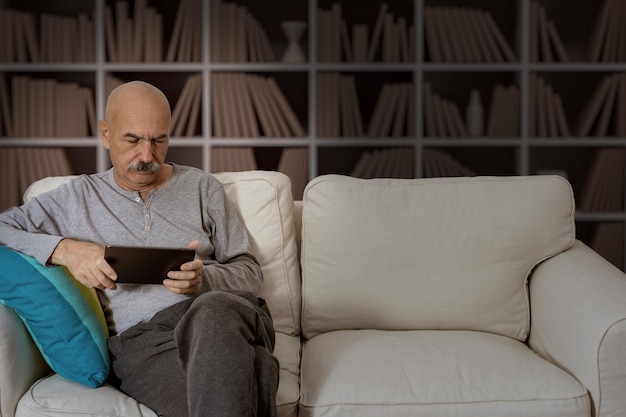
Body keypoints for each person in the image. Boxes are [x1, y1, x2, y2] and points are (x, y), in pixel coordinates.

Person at [0, 80, 279, 417]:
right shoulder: (76, 197)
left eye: (158, 140)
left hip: (223, 316)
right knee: (243, 381)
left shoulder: (202, 187)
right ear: (105, 134)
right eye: (132, 140)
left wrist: (204, 279)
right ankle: (256, 367)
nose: (147, 156)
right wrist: (65, 250)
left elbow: (250, 273)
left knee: (213, 311)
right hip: (146, 345)